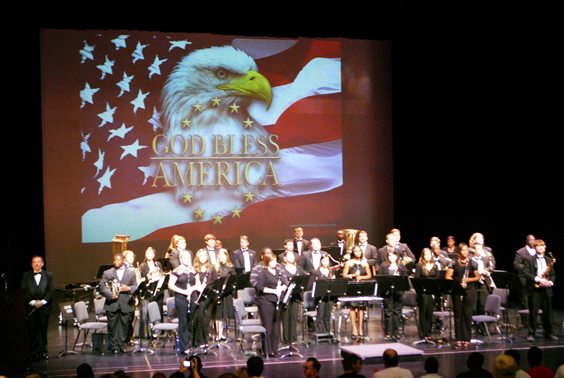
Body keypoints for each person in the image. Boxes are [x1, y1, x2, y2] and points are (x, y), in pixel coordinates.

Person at [99, 253, 138, 353]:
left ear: (123, 260)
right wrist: (110, 295)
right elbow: (101, 286)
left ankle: (123, 345)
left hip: (126, 303)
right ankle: (114, 346)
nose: (116, 262)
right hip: (112, 303)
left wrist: (128, 288)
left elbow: (135, 286)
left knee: (125, 326)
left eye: (118, 260)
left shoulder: (131, 273)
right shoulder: (107, 273)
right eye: (114, 260)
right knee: (112, 326)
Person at [446, 243, 480, 347]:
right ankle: (458, 338)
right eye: (463, 250)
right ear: (459, 252)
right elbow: (448, 277)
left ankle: (467, 338)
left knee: (467, 314)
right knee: (458, 314)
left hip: (469, 290)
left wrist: (467, 280)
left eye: (467, 250)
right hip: (457, 290)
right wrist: (458, 284)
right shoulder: (454, 263)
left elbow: (477, 277)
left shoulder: (472, 263)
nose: (465, 252)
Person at [523, 239, 557, 341]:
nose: (541, 247)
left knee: (548, 313)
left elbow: (553, 274)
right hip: (535, 289)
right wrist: (538, 279)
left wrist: (550, 282)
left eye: (543, 245)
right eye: (538, 246)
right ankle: (531, 333)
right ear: (535, 248)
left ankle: (549, 333)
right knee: (533, 313)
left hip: (547, 289)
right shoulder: (529, 259)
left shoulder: (549, 260)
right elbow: (526, 273)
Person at [255, 253, 289, 356]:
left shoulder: (278, 272)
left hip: (277, 302)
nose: (275, 263)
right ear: (267, 262)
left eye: (275, 261)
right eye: (272, 261)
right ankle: (267, 350)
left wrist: (282, 288)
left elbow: (285, 283)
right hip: (265, 302)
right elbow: (259, 287)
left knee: (276, 326)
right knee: (268, 326)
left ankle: (274, 348)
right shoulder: (263, 273)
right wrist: (273, 291)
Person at [168, 250, 197, 353]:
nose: (187, 260)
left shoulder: (193, 270)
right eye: (184, 258)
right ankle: (184, 347)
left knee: (190, 321)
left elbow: (197, 283)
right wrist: (184, 292)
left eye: (188, 258)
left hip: (192, 297)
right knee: (183, 322)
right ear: (180, 259)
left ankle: (190, 343)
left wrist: (192, 290)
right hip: (181, 298)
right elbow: (170, 285)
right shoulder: (176, 271)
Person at [342, 245, 372, 339]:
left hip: (362, 286)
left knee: (361, 307)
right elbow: (344, 275)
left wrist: (361, 277)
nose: (358, 252)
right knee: (353, 306)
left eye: (359, 251)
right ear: (353, 252)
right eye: (356, 251)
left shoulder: (364, 263)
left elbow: (369, 275)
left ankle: (360, 328)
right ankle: (354, 328)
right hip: (352, 285)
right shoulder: (349, 263)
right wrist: (353, 275)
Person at [377, 250, 408, 341]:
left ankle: (396, 332)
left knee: (397, 312)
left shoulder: (401, 266)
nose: (391, 258)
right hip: (387, 292)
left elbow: (405, 279)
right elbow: (380, 278)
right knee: (388, 312)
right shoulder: (383, 265)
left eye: (393, 256)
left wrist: (399, 278)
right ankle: (388, 332)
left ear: (397, 256)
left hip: (398, 292)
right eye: (389, 256)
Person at [192, 248, 219, 347]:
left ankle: (205, 341)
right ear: (197, 257)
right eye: (200, 256)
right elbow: (192, 282)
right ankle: (197, 341)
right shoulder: (194, 269)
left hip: (209, 296)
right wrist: (198, 287)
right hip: (197, 295)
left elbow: (216, 282)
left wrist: (207, 288)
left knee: (206, 318)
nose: (202, 258)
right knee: (199, 317)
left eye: (204, 256)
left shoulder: (211, 268)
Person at [281, 249, 307, 344]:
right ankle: (286, 338)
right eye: (289, 256)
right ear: (285, 258)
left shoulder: (298, 268)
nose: (291, 258)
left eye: (292, 256)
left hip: (295, 296)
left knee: (293, 316)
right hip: (286, 296)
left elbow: (306, 276)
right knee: (286, 317)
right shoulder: (282, 268)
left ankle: (293, 336)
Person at [414, 248, 439, 341]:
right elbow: (417, 279)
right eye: (426, 255)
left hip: (432, 291)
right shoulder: (419, 265)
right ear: (423, 256)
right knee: (423, 312)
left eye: (429, 254)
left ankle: (429, 333)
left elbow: (437, 279)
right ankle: (422, 333)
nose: (428, 256)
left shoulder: (435, 265)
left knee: (430, 313)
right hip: (423, 292)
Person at [513, 234, 536, 327]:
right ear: (527, 241)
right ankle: (526, 322)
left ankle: (534, 320)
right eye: (531, 240)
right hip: (524, 280)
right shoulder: (520, 252)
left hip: (535, 279)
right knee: (524, 301)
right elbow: (516, 264)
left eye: (534, 240)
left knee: (535, 300)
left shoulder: (537, 251)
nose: (532, 242)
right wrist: (527, 268)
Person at [311, 254, 336, 334]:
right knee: (320, 315)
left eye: (327, 261)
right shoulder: (316, 272)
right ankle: (320, 332)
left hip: (329, 296)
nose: (325, 263)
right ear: (321, 261)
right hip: (320, 297)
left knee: (327, 314)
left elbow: (334, 283)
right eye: (324, 261)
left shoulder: (331, 271)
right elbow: (314, 285)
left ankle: (327, 332)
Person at [215, 248, 235, 341]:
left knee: (223, 314)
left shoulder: (230, 267)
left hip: (226, 293)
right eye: (220, 255)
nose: (221, 257)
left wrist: (226, 286)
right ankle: (218, 334)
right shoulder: (215, 267)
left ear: (227, 256)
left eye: (223, 255)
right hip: (217, 292)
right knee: (217, 314)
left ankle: (221, 333)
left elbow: (233, 280)